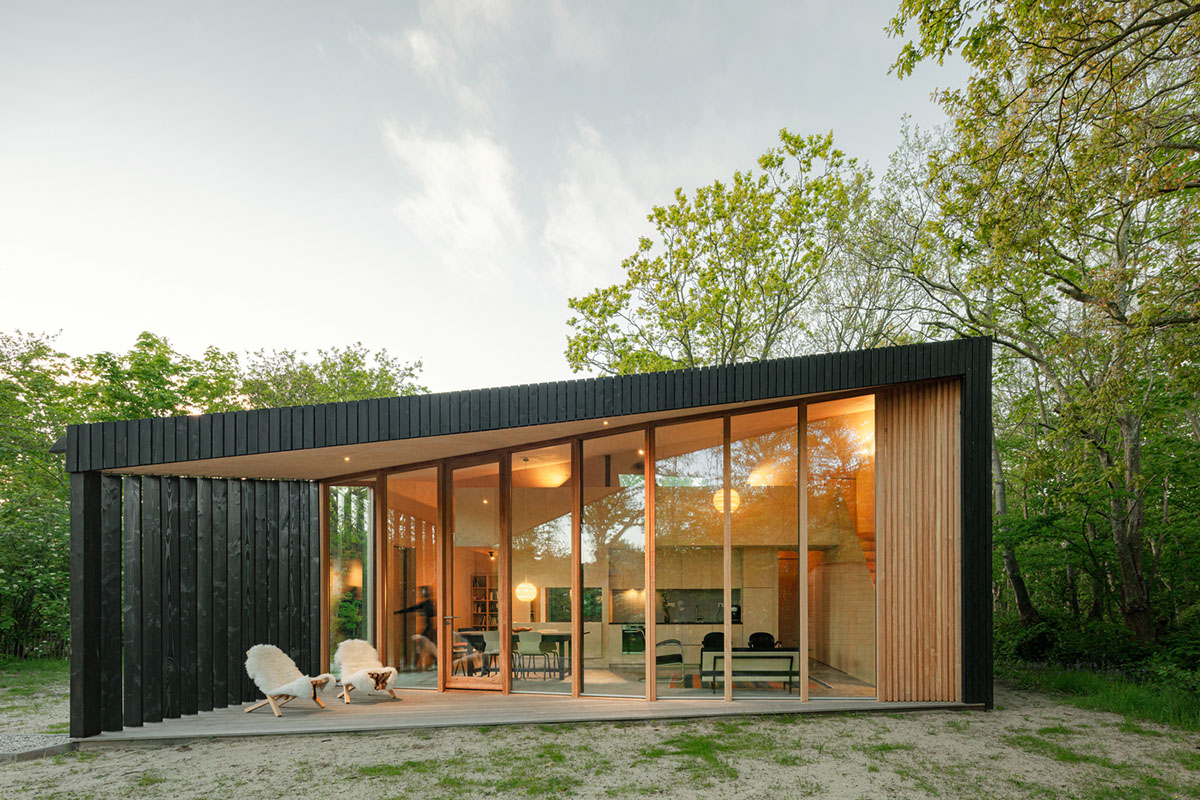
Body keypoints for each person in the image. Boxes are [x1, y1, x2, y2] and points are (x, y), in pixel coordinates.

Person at [395, 585, 436, 668]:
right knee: (429, 645)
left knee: (422, 644)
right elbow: (413, 608)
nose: (422, 594)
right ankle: (433, 663)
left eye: (423, 592)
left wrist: (422, 612)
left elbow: (430, 613)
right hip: (429, 627)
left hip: (428, 627)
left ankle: (414, 664)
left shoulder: (427, 603)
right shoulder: (427, 603)